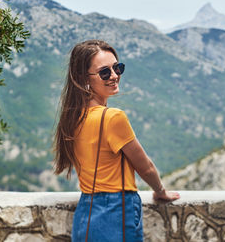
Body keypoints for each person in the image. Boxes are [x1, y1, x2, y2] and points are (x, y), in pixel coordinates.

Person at [53, 39, 180, 241]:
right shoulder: (113, 117)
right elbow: (145, 166)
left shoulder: (73, 118)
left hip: (86, 212)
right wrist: (160, 191)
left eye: (117, 68)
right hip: (117, 210)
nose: (114, 76)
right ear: (83, 78)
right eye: (105, 72)